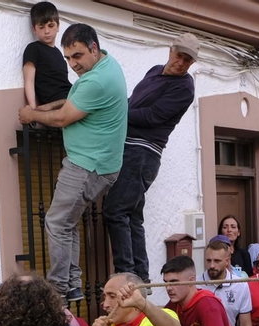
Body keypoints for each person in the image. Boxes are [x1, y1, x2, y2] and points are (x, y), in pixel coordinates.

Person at [20, 23, 127, 302]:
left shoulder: (96, 81)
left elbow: (63, 118)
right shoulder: (107, 65)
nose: (73, 64)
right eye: (67, 58)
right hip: (98, 165)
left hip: (87, 166)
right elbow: (71, 100)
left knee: (56, 223)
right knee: (67, 222)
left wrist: (32, 114)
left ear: (93, 47)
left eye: (77, 56)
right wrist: (40, 108)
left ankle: (58, 290)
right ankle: (74, 284)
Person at [103, 33, 197, 280]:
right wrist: (116, 107)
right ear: (170, 49)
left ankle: (125, 274)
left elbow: (152, 116)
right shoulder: (155, 71)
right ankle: (140, 276)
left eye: (187, 60)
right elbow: (134, 103)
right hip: (132, 150)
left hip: (143, 152)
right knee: (132, 216)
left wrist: (116, 111)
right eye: (179, 56)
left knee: (116, 211)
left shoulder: (185, 88)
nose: (181, 63)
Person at [201, 237, 253, 326]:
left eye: (217, 261)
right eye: (208, 260)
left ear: (227, 261)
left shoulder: (240, 285)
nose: (212, 265)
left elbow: (245, 325)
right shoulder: (195, 285)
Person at [20, 2, 68, 109]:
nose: (47, 31)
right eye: (41, 27)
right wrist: (32, 106)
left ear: (58, 26)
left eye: (51, 26)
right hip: (55, 104)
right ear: (34, 30)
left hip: (70, 98)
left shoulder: (59, 53)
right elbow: (29, 80)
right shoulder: (33, 49)